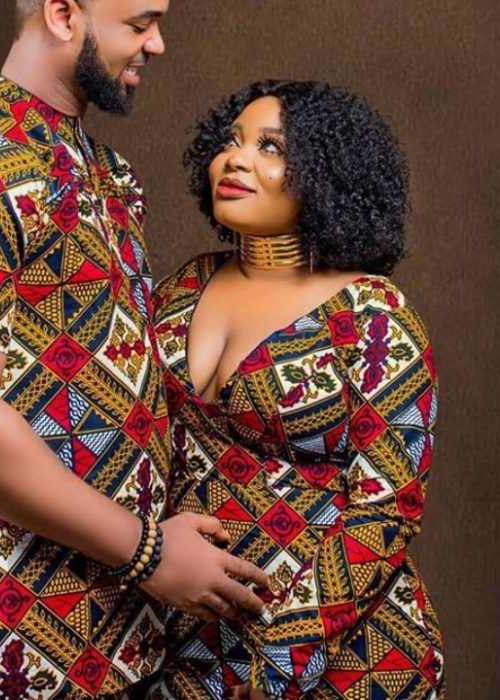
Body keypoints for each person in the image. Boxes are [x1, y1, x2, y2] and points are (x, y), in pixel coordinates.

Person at [0, 3, 272, 699]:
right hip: (8, 641)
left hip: (115, 630)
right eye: (139, 23)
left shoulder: (107, 171)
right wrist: (149, 553)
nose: (157, 44)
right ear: (63, 14)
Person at [149, 79, 446, 699]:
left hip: (347, 657)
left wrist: (287, 661)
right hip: (192, 646)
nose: (236, 160)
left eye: (270, 148)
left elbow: (387, 506)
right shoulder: (181, 289)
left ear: (327, 175)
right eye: (231, 141)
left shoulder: (373, 316)